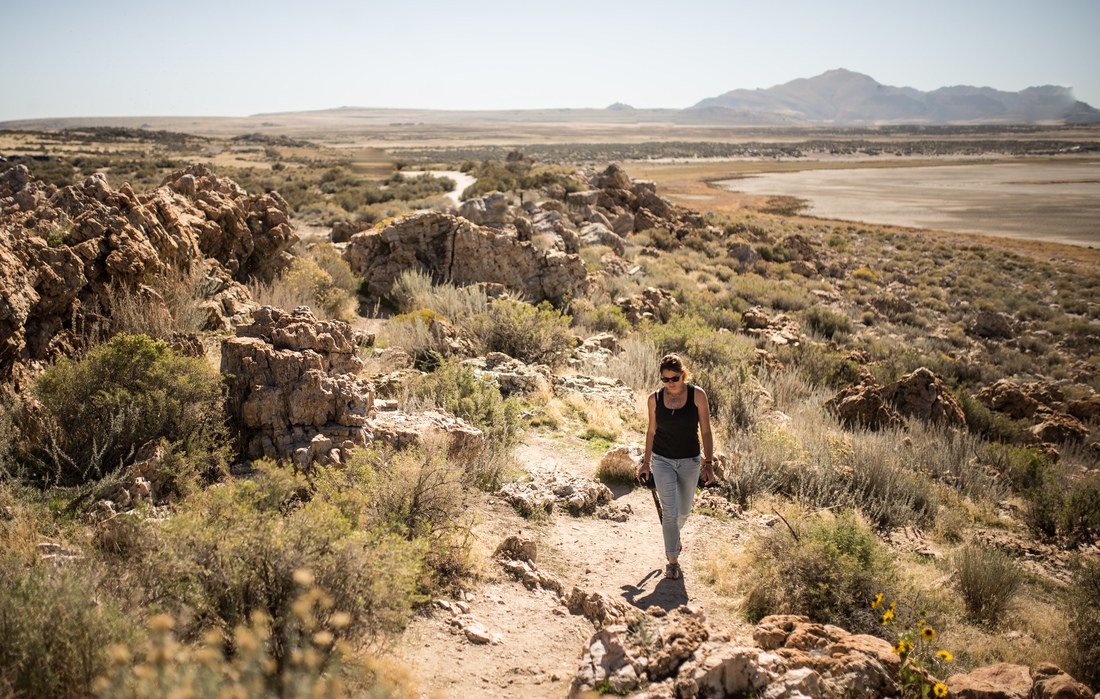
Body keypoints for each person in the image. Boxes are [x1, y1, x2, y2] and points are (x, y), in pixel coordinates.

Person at [637, 353, 715, 580]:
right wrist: (646, 462)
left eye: (675, 378)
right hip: (662, 460)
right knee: (670, 511)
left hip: (690, 461)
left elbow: (706, 431)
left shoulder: (697, 395)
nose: (670, 383)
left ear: (684, 375)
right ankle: (672, 561)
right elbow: (651, 431)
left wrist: (708, 464)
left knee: (683, 511)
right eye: (666, 379)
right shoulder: (655, 399)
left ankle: (673, 537)